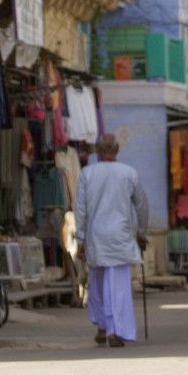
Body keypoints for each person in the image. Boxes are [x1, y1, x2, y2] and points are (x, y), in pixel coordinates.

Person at [75, 134, 149, 347]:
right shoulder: (128, 173)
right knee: (118, 287)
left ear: (98, 150)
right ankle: (115, 331)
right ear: (117, 149)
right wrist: (142, 232)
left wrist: (80, 239)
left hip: (95, 237)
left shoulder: (87, 173)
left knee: (97, 284)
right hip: (120, 236)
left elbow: (80, 209)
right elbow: (141, 205)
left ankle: (101, 325)